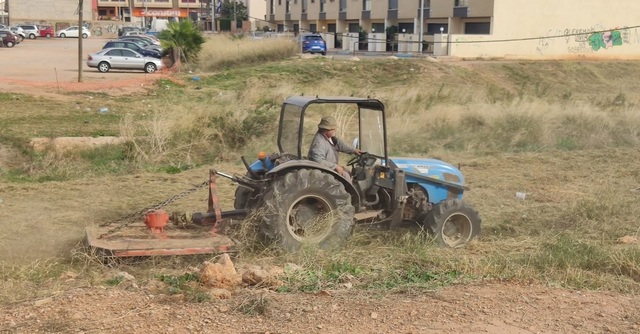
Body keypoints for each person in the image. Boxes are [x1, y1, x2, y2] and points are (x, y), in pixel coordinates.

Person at [308, 115, 361, 182]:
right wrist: (335, 167)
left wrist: (354, 150)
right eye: (333, 129)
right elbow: (318, 161)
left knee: (348, 172)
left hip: (330, 168)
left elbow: (340, 145)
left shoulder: (329, 138)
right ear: (326, 130)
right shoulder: (319, 143)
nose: (335, 130)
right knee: (346, 176)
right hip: (323, 172)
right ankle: (348, 192)